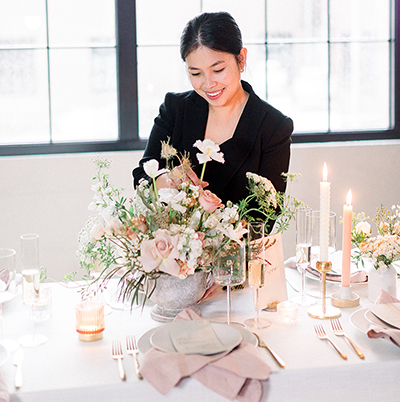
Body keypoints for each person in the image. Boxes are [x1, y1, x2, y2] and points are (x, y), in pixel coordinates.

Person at [133, 11, 293, 210]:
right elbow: (142, 176)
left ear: (241, 59)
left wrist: (208, 231)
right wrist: (167, 179)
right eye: (196, 73)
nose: (209, 84)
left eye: (218, 70)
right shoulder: (175, 109)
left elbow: (267, 214)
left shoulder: (273, 127)